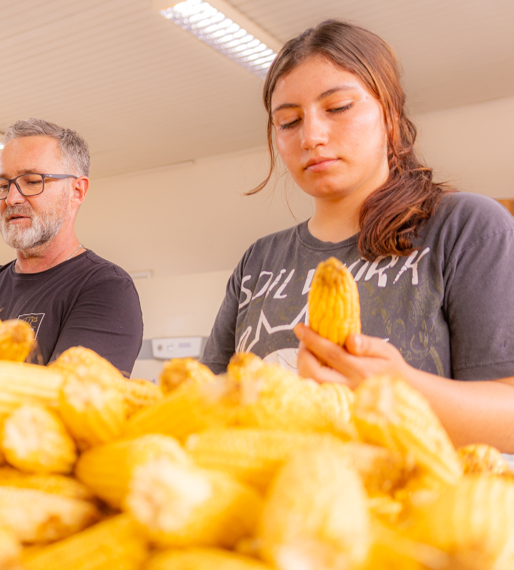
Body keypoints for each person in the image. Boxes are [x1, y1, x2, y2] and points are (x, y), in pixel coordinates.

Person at [201, 20, 514, 450]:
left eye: (339, 107)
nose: (312, 136)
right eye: (289, 122)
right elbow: (208, 402)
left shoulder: (466, 228)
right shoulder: (258, 261)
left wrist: (398, 388)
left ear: (388, 114)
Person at [0, 119, 143, 376]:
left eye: (32, 182)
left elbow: (72, 400)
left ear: (77, 191)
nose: (12, 198)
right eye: (3, 185)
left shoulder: (106, 288)